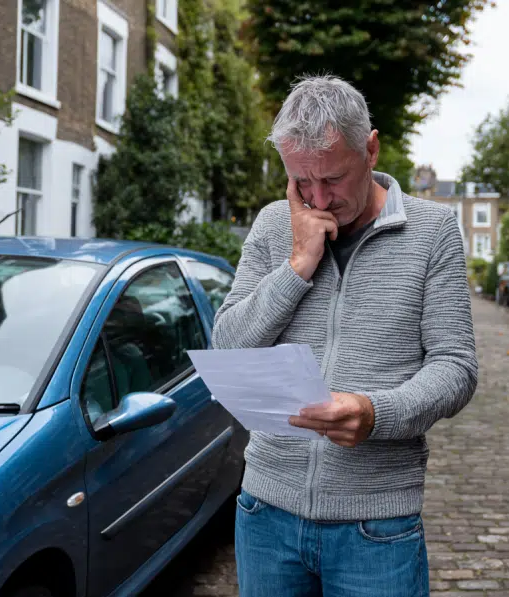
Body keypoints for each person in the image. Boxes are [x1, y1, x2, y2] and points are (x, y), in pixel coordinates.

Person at [212, 75, 478, 597]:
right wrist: (298, 264)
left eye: (332, 179)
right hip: (265, 510)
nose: (316, 199)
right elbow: (229, 346)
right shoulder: (272, 227)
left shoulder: (434, 231)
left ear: (371, 147)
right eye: (300, 182)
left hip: (376, 526)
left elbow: (455, 365)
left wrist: (377, 412)